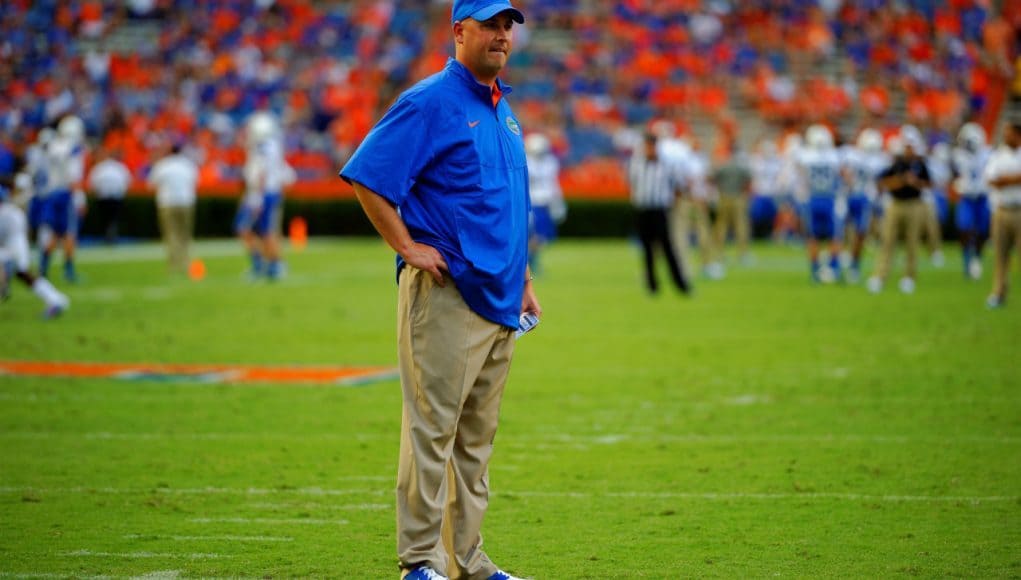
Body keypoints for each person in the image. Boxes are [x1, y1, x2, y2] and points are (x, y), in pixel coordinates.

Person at [339, 2, 537, 579]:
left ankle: (468, 562)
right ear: (459, 31)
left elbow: (509, 204)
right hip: (446, 295)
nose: (502, 35)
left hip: (501, 299)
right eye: (491, 24)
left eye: (508, 26)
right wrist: (407, 247)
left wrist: (524, 279)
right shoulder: (427, 101)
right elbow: (367, 176)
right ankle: (420, 563)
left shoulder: (505, 111)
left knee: (475, 445)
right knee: (432, 434)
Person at [629, 131, 691, 295]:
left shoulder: (667, 164)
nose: (648, 149)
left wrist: (673, 204)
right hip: (643, 209)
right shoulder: (636, 164)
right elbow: (633, 183)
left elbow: (678, 186)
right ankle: (652, 285)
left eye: (650, 146)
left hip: (659, 209)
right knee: (647, 249)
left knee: (667, 247)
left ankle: (680, 283)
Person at [867, 134, 930, 294]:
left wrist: (914, 182)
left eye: (911, 147)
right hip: (896, 204)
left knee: (912, 242)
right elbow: (883, 183)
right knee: (888, 241)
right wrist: (901, 181)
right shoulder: (897, 164)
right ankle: (880, 276)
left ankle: (909, 277)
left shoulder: (920, 165)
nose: (909, 150)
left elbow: (929, 184)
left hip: (914, 205)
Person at [0, 185, 70, 317]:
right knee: (24, 274)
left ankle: (56, 300)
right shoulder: (12, 211)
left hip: (12, 244)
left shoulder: (6, 213)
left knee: (23, 273)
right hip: (13, 244)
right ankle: (56, 299)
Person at [243, 111, 295, 280]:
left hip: (264, 194)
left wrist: (257, 196)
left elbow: (262, 172)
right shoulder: (273, 145)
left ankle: (272, 264)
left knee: (263, 231)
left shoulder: (265, 147)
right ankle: (268, 264)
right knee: (263, 231)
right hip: (269, 192)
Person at [39, 115, 87, 283]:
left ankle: (43, 269)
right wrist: (80, 200)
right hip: (66, 194)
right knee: (69, 234)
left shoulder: (52, 146)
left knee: (53, 233)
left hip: (51, 193)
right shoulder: (74, 149)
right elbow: (73, 178)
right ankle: (69, 271)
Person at [796, 124, 845, 283]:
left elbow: (801, 178)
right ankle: (834, 267)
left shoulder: (804, 156)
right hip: (830, 198)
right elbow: (843, 176)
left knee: (813, 236)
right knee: (835, 236)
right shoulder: (836, 156)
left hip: (813, 198)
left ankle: (815, 270)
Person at [841, 128, 889, 282]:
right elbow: (843, 172)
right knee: (849, 231)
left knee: (859, 233)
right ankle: (847, 260)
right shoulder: (852, 155)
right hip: (854, 197)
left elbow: (882, 184)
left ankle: (853, 263)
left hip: (862, 198)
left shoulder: (876, 159)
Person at [983, 121, 1021, 308]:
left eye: (1010, 133)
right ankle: (999, 292)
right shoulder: (999, 155)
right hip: (1002, 209)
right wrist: (1014, 179)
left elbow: (1001, 179)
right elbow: (991, 179)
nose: (1006, 136)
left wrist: (1006, 179)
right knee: (1000, 255)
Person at [147, 144, 198, 275]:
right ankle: (186, 262)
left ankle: (174, 264)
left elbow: (151, 184)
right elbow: (195, 182)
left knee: (171, 234)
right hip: (186, 202)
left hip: (168, 202)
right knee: (185, 235)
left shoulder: (163, 165)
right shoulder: (188, 165)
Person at [952, 122, 992, 280]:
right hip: (967, 197)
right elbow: (955, 174)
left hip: (982, 197)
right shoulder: (958, 155)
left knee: (982, 231)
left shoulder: (988, 154)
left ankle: (977, 257)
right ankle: (967, 260)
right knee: (964, 228)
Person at [524, 132, 565, 276]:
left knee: (542, 238)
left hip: (545, 203)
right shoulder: (526, 162)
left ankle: (531, 264)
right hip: (533, 203)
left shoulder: (550, 162)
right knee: (533, 237)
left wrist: (558, 202)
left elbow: (553, 184)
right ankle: (530, 265)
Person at [710, 141, 754, 266]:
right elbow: (748, 181)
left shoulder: (723, 164)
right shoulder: (741, 165)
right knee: (741, 226)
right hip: (738, 197)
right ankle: (743, 254)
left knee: (721, 226)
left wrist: (720, 189)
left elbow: (713, 178)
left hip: (724, 196)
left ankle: (719, 253)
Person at [86, 148, 133, 244]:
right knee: (113, 219)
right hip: (116, 197)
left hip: (103, 197)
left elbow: (92, 184)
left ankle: (108, 237)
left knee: (106, 219)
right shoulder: (119, 167)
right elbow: (128, 181)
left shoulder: (99, 167)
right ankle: (111, 237)